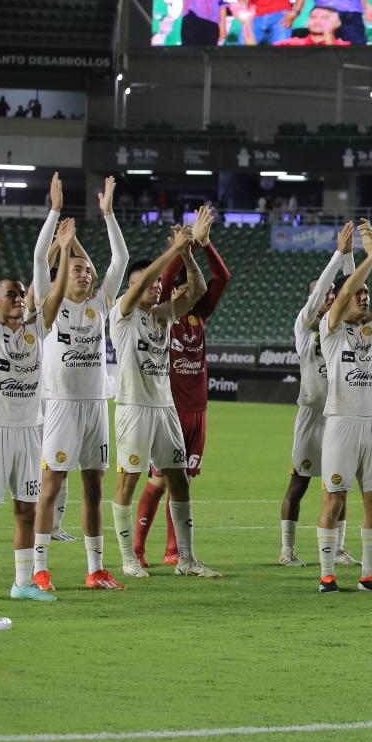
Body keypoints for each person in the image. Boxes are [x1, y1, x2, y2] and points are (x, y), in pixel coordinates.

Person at [28, 174, 129, 593]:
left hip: (95, 405)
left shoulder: (100, 306)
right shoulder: (48, 309)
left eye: (89, 270)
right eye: (77, 270)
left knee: (93, 487)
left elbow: (120, 260)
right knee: (51, 485)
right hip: (61, 405)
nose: (86, 274)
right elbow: (39, 261)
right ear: (60, 279)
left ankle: (95, 569)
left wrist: (107, 215)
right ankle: (39, 567)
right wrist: (54, 214)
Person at [108, 206, 220, 579]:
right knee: (128, 478)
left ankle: (186, 559)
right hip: (134, 407)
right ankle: (127, 556)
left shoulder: (163, 315)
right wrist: (173, 250)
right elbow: (141, 285)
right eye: (149, 283)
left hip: (165, 407)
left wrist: (189, 252)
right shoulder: (122, 314)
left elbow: (199, 290)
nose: (156, 286)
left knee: (179, 478)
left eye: (158, 284)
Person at [133, 212, 232, 568]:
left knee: (184, 483)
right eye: (181, 285)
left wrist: (205, 244)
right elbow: (160, 277)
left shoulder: (199, 315)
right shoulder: (162, 315)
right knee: (159, 483)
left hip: (198, 410)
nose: (188, 289)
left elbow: (222, 277)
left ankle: (174, 552)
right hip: (169, 408)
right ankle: (138, 549)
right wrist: (183, 246)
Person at [0, 216, 57, 603]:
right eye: (11, 294)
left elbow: (43, 290)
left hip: (29, 430)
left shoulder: (36, 329)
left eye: (22, 293)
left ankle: (21, 584)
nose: (20, 298)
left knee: (25, 509)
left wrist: (54, 249)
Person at [316, 221, 372, 593]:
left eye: (368, 294)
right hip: (342, 421)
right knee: (335, 498)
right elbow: (346, 289)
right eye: (360, 294)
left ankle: (369, 575)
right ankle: (327, 575)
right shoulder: (330, 327)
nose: (366, 297)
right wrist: (365, 257)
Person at [278, 221, 355, 567]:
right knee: (299, 484)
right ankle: (287, 550)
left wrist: (349, 257)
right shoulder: (304, 330)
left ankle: (338, 549)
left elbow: (351, 289)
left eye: (330, 294)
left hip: (340, 415)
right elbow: (320, 297)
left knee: (340, 485)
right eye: (319, 294)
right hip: (311, 415)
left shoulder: (344, 329)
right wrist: (338, 255)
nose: (326, 297)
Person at [264, 4, 349, 46]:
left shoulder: (344, 46)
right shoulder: (290, 44)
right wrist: (249, 24)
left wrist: (328, 34)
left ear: (337, 23)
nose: (317, 21)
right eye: (313, 17)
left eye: (325, 18)